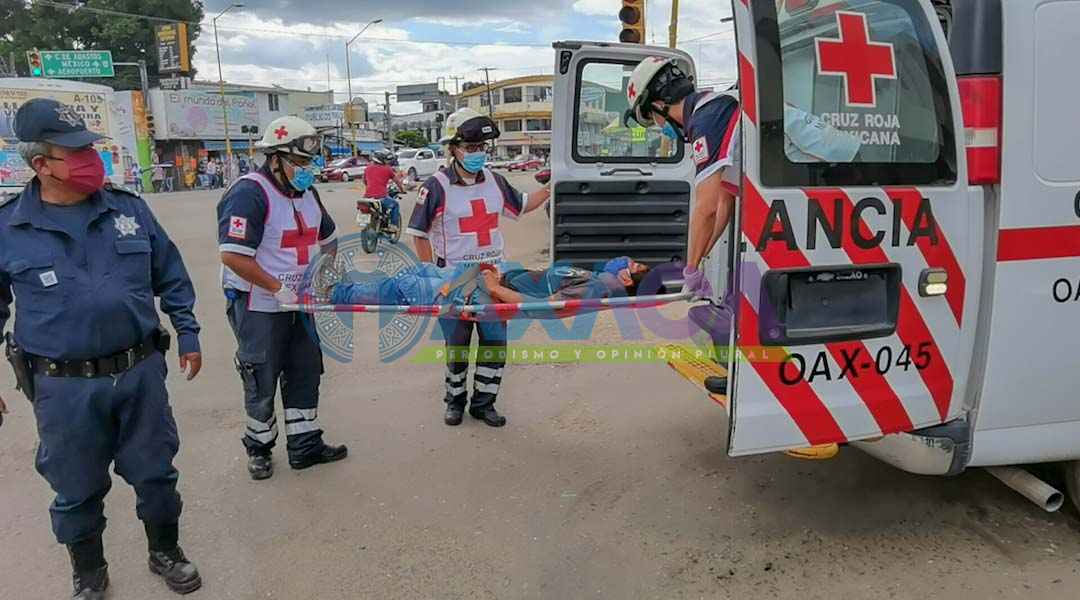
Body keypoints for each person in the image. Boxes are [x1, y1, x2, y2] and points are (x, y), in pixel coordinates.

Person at [0, 98, 203, 598]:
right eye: (76, 152)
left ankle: (165, 552)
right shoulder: (8, 227)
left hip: (139, 372)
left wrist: (189, 332)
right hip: (61, 387)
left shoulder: (128, 209)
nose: (91, 159)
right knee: (75, 487)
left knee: (156, 473)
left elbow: (170, 274)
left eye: (91, 147)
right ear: (40, 164)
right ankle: (89, 572)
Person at [626, 58, 862, 300]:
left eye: (653, 120)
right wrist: (699, 260)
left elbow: (705, 208)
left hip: (846, 171)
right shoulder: (715, 107)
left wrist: (691, 269)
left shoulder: (706, 120)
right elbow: (722, 204)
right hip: (830, 172)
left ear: (658, 105)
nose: (659, 127)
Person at [217, 115, 347, 481]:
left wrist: (325, 272)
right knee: (261, 375)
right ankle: (259, 448)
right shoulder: (249, 193)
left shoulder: (308, 194)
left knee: (305, 371)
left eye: (311, 163)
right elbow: (233, 255)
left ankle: (304, 446)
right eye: (300, 162)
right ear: (275, 158)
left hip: (301, 303)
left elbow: (329, 238)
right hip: (259, 304)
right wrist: (277, 287)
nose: (308, 170)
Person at [406, 108, 550, 428]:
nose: (477, 155)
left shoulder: (496, 181)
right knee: (457, 346)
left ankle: (484, 403)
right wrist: (433, 277)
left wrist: (554, 185)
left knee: (494, 344)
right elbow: (418, 233)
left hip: (491, 279)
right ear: (453, 148)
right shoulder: (437, 185)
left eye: (482, 149)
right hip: (455, 280)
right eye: (470, 148)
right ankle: (454, 402)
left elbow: (524, 204)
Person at [326, 257, 650, 307]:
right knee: (422, 270)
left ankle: (334, 292)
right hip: (490, 278)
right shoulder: (596, 278)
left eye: (633, 264)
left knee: (406, 288)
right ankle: (348, 288)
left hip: (484, 292)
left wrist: (494, 287)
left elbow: (546, 308)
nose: (626, 259)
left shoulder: (596, 288)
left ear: (627, 277)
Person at [361, 149, 407, 231]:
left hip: (367, 197)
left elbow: (364, 181)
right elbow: (397, 182)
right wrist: (402, 190)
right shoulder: (387, 169)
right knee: (395, 205)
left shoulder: (367, 168)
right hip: (381, 197)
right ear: (382, 159)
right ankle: (393, 226)